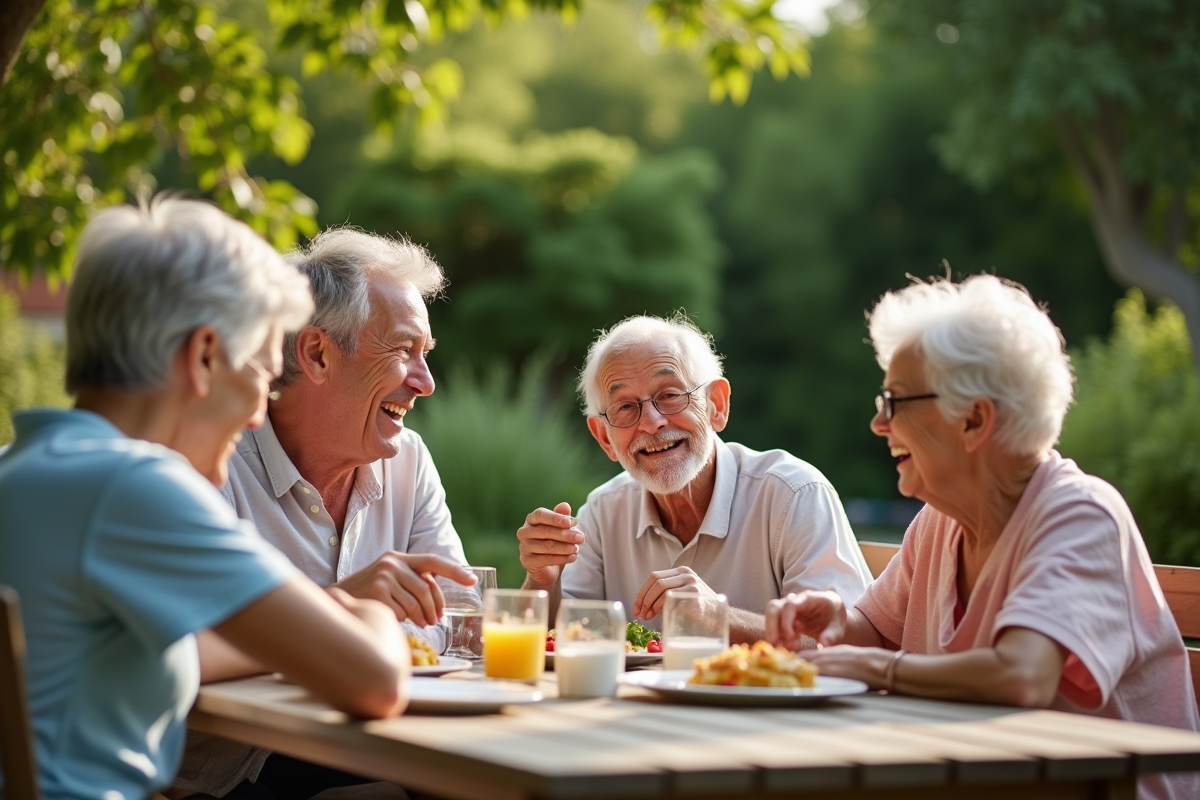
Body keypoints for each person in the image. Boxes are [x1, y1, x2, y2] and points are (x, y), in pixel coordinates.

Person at [0, 198, 411, 800]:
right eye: (261, 376)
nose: (257, 417)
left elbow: (173, 652)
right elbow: (376, 682)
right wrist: (371, 614)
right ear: (204, 356)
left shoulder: (22, 471)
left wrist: (323, 610)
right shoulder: (134, 487)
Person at [764, 275, 1200, 800]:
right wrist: (838, 620)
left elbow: (1023, 676)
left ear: (974, 419)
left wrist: (879, 668)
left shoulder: (1080, 516)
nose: (878, 423)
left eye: (895, 401)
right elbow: (877, 633)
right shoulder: (939, 522)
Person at [175, 228, 474, 800]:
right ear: (317, 354)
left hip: (387, 738)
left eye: (426, 354)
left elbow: (461, 619)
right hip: (236, 770)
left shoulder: (408, 459)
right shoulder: (214, 459)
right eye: (403, 351)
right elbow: (188, 642)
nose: (426, 382)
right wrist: (343, 607)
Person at [517, 314, 871, 642]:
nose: (651, 422)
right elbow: (563, 637)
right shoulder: (602, 511)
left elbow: (843, 641)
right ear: (604, 437)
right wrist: (542, 580)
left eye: (670, 395)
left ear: (716, 404)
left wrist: (717, 616)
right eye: (625, 407)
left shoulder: (795, 495)